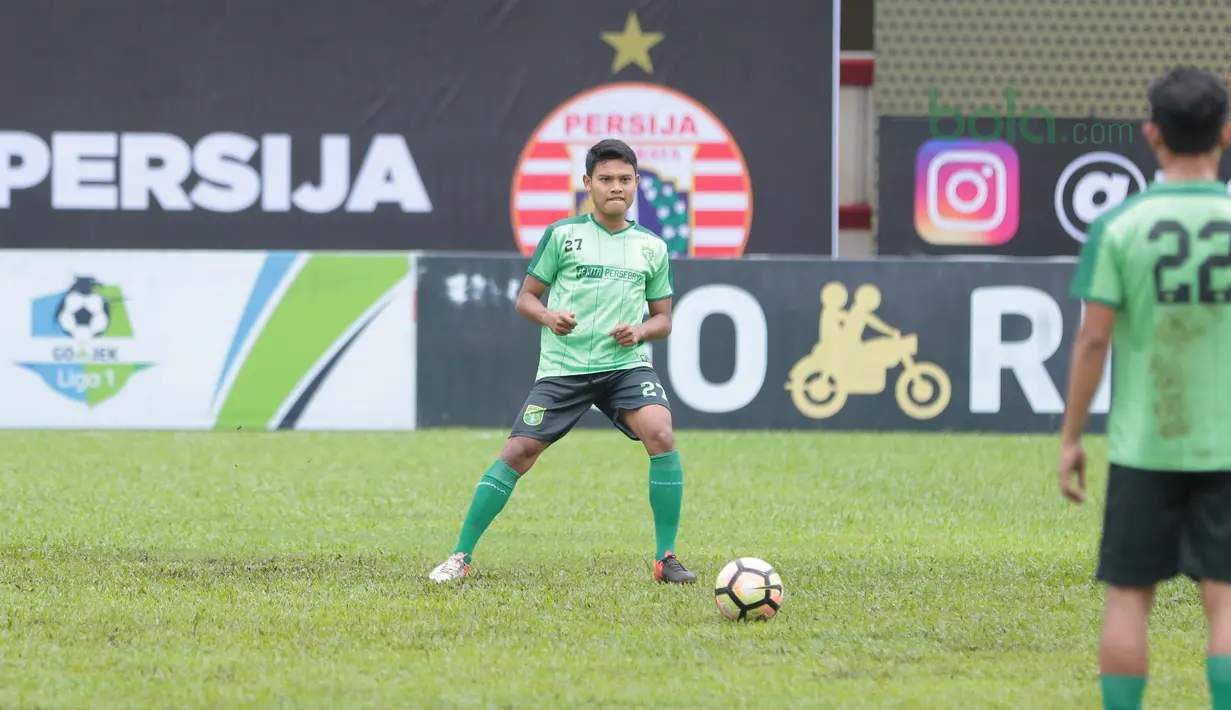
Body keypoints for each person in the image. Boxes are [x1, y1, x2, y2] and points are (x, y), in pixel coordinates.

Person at [428, 138, 697, 585]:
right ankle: (460, 555)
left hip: (624, 366)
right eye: (606, 179)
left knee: (661, 432)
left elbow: (664, 319)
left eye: (625, 180)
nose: (616, 187)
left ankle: (665, 557)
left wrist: (641, 331)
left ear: (636, 185)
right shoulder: (563, 236)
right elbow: (525, 298)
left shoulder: (652, 247)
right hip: (564, 368)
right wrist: (549, 316)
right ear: (588, 183)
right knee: (519, 451)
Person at [1059, 66, 1231, 710]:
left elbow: (1092, 342)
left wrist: (1072, 438)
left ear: (1151, 134)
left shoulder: (1119, 226)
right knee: (1226, 596)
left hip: (1145, 445)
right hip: (1226, 444)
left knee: (1129, 596)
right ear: (1226, 133)